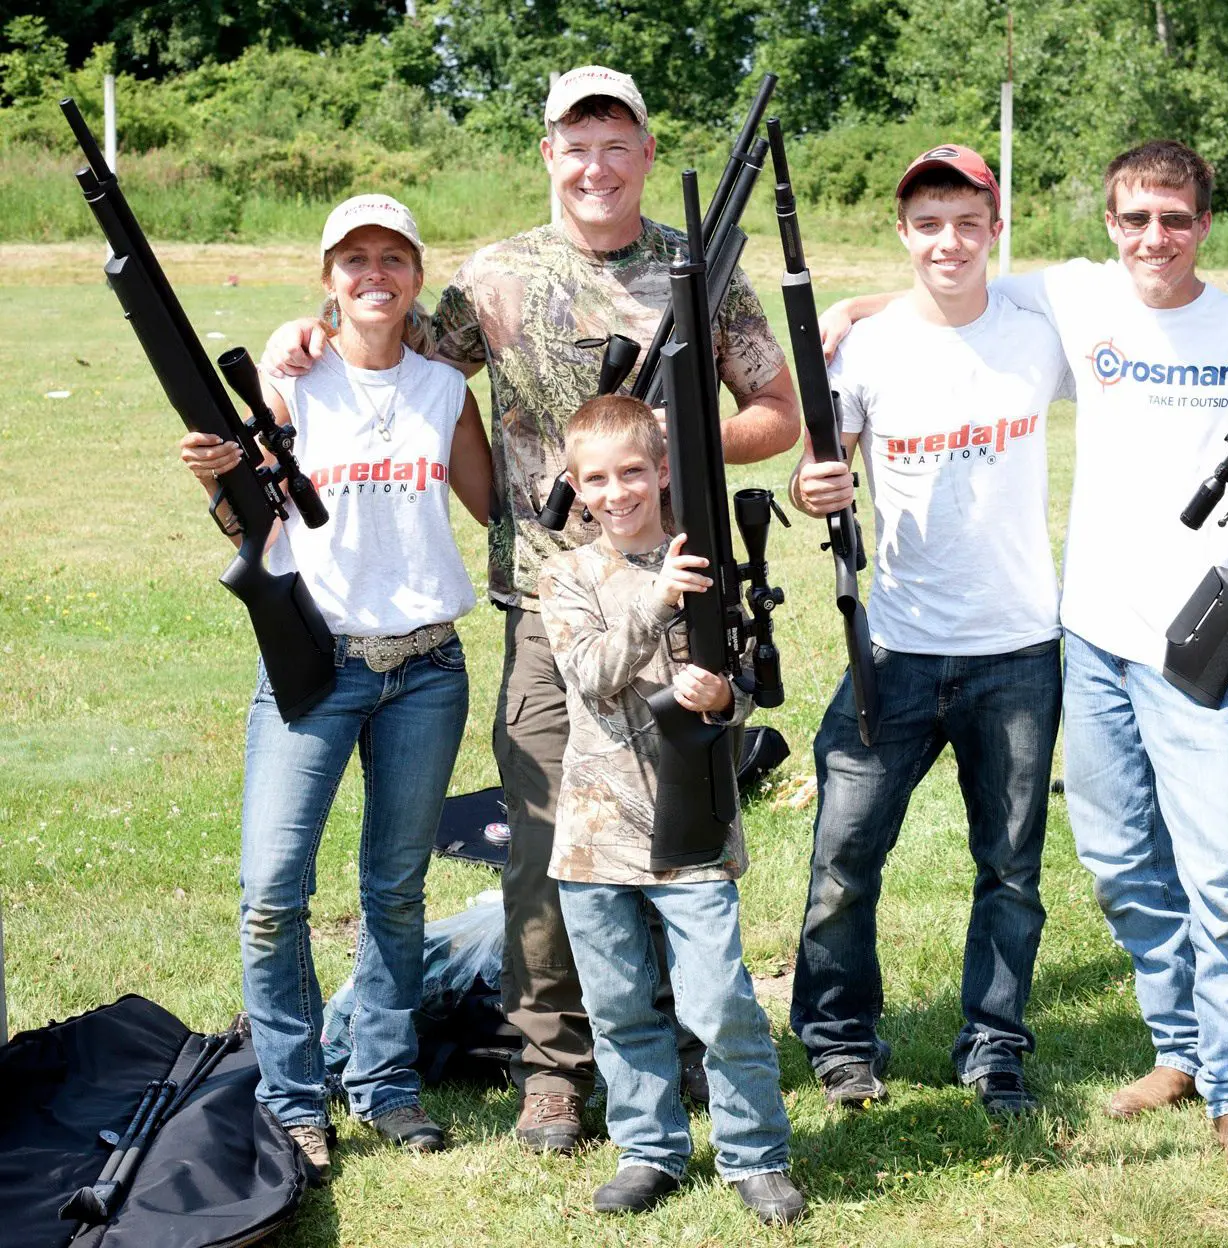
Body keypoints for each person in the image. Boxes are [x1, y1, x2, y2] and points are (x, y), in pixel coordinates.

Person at [262, 66, 799, 1152]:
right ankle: (551, 1068)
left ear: (645, 155)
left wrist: (671, 444)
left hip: (674, 591)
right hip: (543, 607)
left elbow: (777, 414)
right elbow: (384, 347)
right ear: (547, 155)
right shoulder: (494, 279)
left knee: (683, 826)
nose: (593, 165)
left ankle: (685, 1037)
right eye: (572, 143)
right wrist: (298, 333)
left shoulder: (701, 271)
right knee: (547, 840)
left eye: (615, 143)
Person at [823, 140, 1228, 1187]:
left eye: (1173, 218)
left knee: (1224, 878)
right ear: (1108, 225)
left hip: (1209, 647)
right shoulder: (1075, 298)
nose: (1152, 238)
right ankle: (1180, 1048)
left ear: (1204, 223)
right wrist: (851, 307)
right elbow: (952, 272)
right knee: (1121, 866)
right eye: (1133, 219)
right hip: (1091, 641)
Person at [179, 193, 494, 1183]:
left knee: (395, 894)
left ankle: (386, 1084)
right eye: (352, 260)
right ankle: (291, 1093)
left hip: (428, 667)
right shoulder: (289, 386)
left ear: (414, 275)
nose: (373, 275)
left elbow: (500, 506)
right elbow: (246, 525)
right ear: (327, 278)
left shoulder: (445, 390)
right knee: (272, 893)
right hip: (315, 666)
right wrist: (213, 474)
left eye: (391, 258)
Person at [788, 145, 1068, 1118]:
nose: (947, 240)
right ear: (902, 233)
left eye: (965, 221)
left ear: (994, 227)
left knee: (1010, 871)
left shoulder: (1041, 332)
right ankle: (838, 1040)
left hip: (1020, 652)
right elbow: (821, 472)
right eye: (927, 223)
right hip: (895, 651)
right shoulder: (864, 350)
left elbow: (1150, 317)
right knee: (842, 862)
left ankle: (993, 1049)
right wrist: (808, 484)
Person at [538, 395, 805, 1225]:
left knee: (719, 998)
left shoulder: (707, 564)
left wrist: (721, 695)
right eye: (597, 480)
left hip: (690, 826)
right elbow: (590, 673)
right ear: (576, 490)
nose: (617, 493)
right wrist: (656, 601)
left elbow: (743, 694)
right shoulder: (566, 574)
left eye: (633, 473)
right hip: (592, 834)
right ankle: (648, 1149)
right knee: (618, 1005)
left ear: (662, 473)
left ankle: (755, 1156)